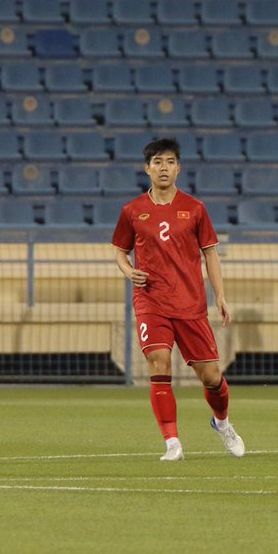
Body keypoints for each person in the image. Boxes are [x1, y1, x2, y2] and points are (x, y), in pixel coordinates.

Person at [112, 138, 244, 462]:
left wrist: (221, 296)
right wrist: (129, 272)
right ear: (147, 168)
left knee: (211, 377)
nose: (164, 168)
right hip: (151, 301)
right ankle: (172, 442)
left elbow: (210, 253)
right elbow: (119, 251)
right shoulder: (132, 211)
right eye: (157, 162)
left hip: (190, 304)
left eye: (170, 162)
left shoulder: (195, 209)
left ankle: (222, 423)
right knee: (159, 361)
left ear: (178, 168)